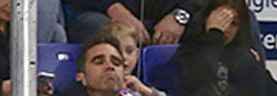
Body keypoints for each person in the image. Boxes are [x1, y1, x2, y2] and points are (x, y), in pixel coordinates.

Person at [66, 0, 205, 46]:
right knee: (101, 30)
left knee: (203, 30)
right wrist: (113, 8)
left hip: (168, 18)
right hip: (103, 12)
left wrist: (180, 15)